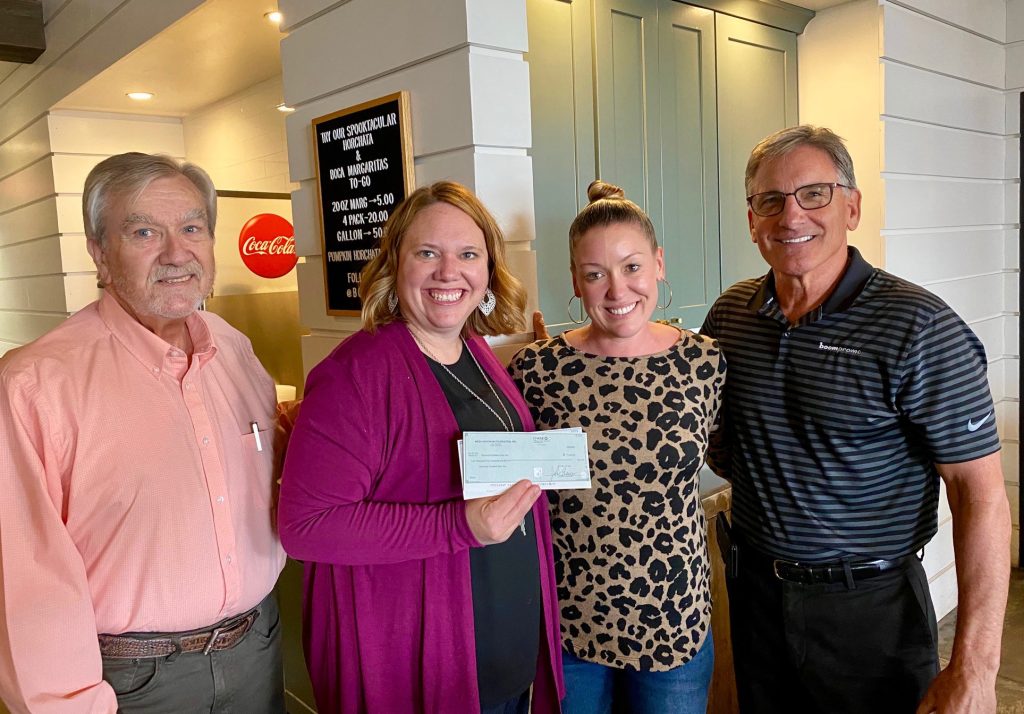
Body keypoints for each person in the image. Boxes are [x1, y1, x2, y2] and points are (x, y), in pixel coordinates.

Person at [701, 125, 1011, 713]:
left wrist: (975, 669)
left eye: (814, 194)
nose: (792, 216)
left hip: (870, 613)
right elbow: (723, 441)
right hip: (756, 598)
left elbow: (981, 498)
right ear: (752, 220)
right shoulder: (731, 317)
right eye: (770, 200)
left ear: (852, 207)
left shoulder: (920, 329)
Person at [0, 153, 286, 713]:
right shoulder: (35, 383)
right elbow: (27, 581)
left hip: (259, 646)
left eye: (192, 228)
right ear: (100, 255)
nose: (176, 253)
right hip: (130, 682)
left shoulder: (234, 347)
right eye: (144, 232)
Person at [277, 180, 564, 714]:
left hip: (503, 656)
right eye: (427, 253)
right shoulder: (354, 376)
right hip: (420, 667)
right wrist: (459, 526)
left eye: (467, 254)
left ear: (489, 271)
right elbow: (305, 527)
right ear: (395, 265)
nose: (448, 272)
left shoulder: (475, 350)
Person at [510, 180, 726, 714]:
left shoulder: (704, 362)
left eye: (631, 267)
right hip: (571, 626)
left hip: (674, 620)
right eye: (595, 274)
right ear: (576, 283)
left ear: (658, 263)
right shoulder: (538, 370)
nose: (616, 289)